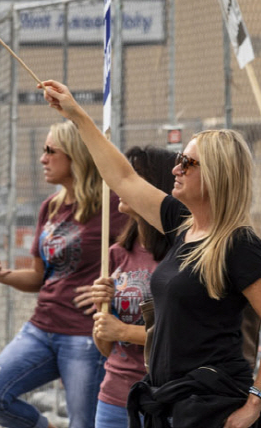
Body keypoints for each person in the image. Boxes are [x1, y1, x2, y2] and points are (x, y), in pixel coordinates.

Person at [41, 79, 261, 428]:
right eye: (178, 160)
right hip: (168, 400)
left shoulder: (238, 243)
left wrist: (255, 402)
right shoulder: (181, 223)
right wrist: (78, 116)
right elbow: (123, 178)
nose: (176, 169)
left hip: (211, 405)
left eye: (187, 163)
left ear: (216, 174)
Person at [0, 121, 128, 428]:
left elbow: (141, 258)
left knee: (84, 423)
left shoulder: (111, 204)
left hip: (85, 333)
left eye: (50, 151)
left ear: (75, 155)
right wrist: (4, 275)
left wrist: (114, 287)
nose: (42, 158)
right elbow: (38, 276)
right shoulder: (50, 207)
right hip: (41, 327)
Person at [84, 146, 176, 428]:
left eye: (134, 177)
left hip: (164, 400)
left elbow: (182, 337)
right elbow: (106, 347)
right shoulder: (115, 254)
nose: (121, 184)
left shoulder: (180, 255)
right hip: (113, 398)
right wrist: (102, 318)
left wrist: (122, 330)